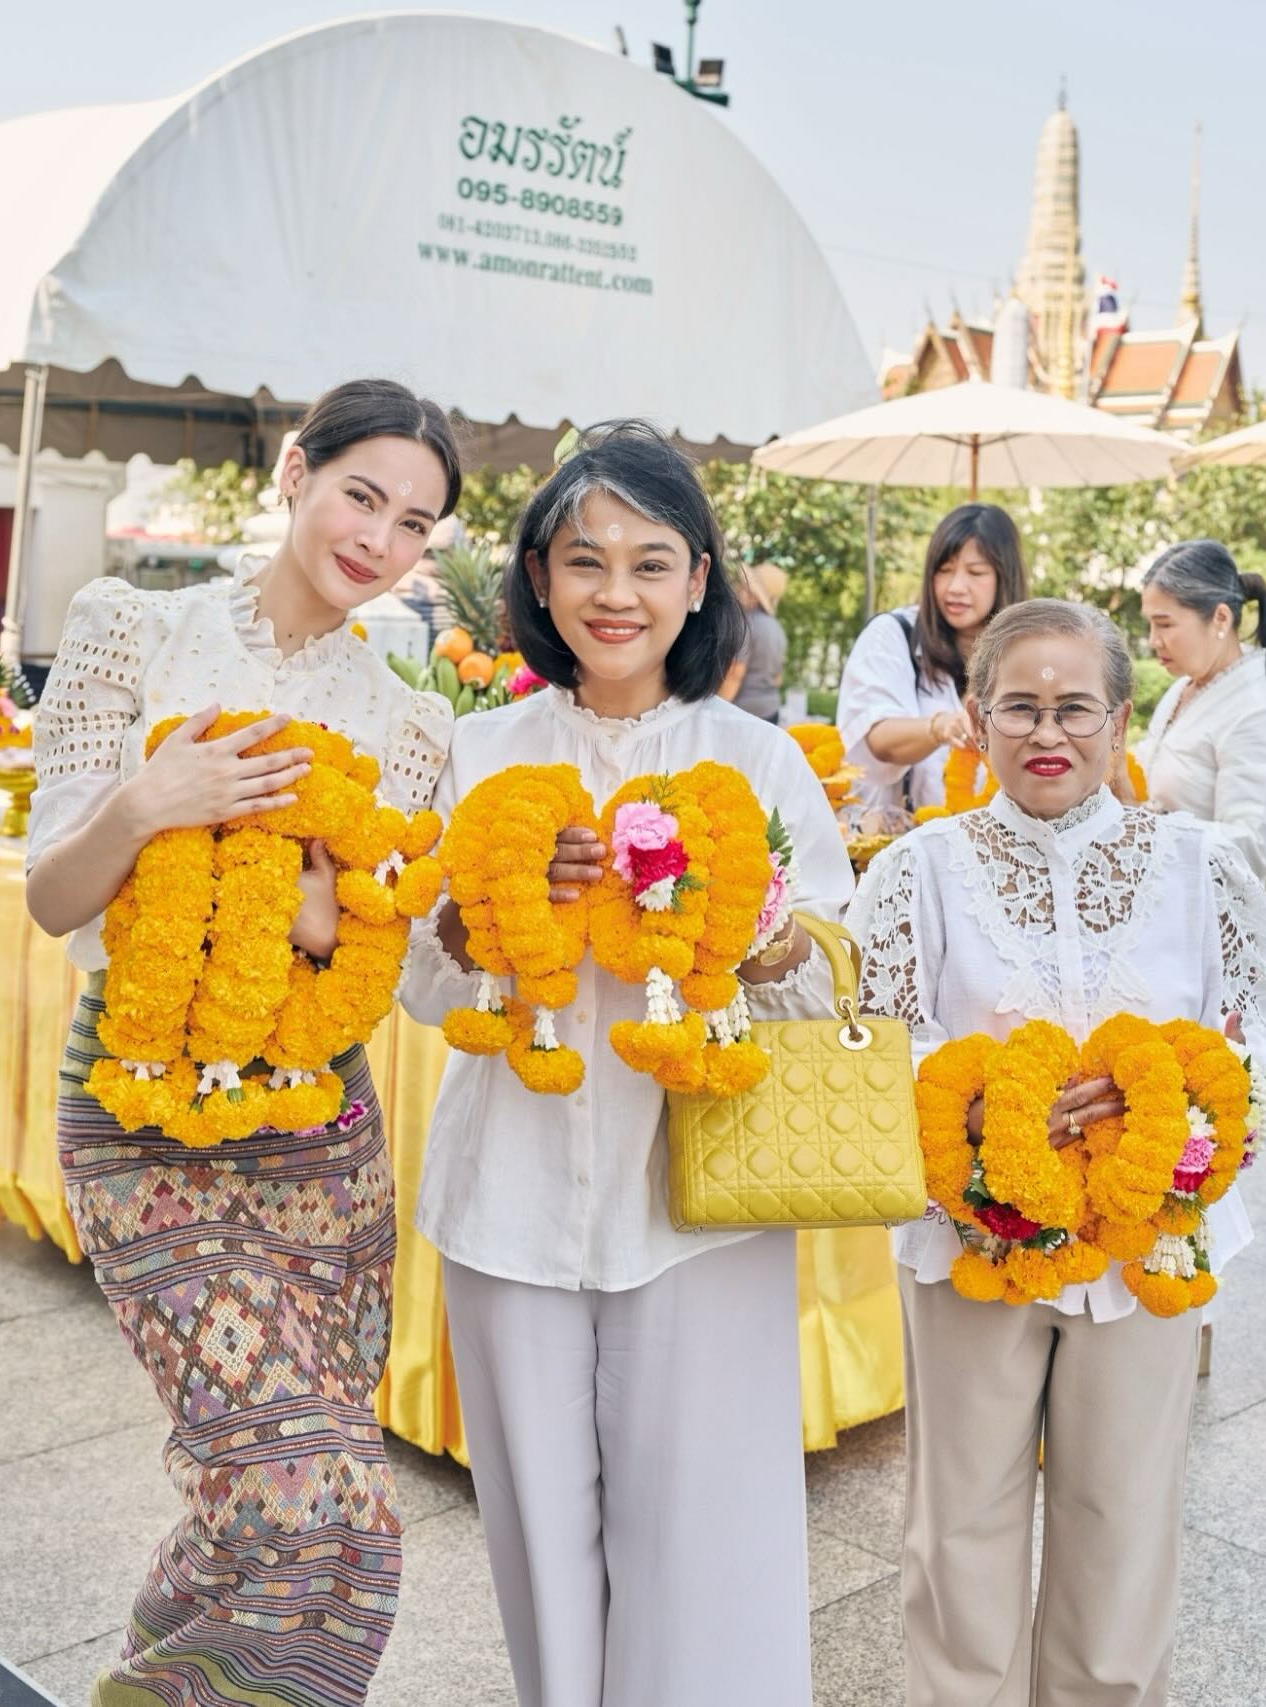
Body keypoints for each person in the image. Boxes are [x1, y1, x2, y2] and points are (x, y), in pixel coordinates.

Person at [24, 379, 462, 1707]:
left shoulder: (407, 721)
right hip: (139, 1113)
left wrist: (327, 913)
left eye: (414, 523)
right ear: (293, 473)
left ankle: (145, 1684)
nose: (379, 539)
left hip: (320, 1131)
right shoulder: (131, 629)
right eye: (362, 495)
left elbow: (381, 956)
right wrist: (150, 803)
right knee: (309, 1497)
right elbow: (53, 896)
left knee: (274, 1496)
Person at [403, 422, 853, 1707]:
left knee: (707, 1544)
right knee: (540, 1544)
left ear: (699, 581)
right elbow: (419, 981)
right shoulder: (480, 751)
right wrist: (486, 910)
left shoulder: (757, 760)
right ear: (538, 580)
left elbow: (833, 979)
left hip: (702, 1206)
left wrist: (745, 922)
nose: (617, 593)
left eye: (651, 563)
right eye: (584, 561)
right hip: (508, 1200)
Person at [850, 598, 1266, 1707]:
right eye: (1019, 707)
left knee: (1124, 1523)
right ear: (975, 716)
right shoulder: (919, 869)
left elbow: (1263, 1049)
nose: (1047, 732)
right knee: (959, 1527)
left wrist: (1181, 1105)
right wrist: (984, 1108)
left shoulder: (1201, 868)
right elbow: (878, 1043)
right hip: (973, 1236)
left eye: (1074, 708)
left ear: (1121, 718)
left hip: (1147, 1243)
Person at [836, 502, 1027, 814]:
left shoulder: (1027, 650)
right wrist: (941, 727)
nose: (955, 587)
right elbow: (877, 737)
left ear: (1004, 577)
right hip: (901, 832)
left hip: (995, 836)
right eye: (944, 570)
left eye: (975, 572)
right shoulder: (893, 634)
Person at [1134, 538, 1266, 876]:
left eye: (1164, 624)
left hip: (1202, 904)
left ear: (1221, 618)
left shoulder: (1258, 711)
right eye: (1150, 624)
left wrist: (1143, 831)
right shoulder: (1183, 688)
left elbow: (1248, 848)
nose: (1153, 640)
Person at [719, 559, 789, 721]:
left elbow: (735, 674)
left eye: (744, 586)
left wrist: (716, 708)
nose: (738, 588)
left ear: (755, 595)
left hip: (744, 713)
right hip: (771, 710)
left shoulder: (746, 623)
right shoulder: (777, 629)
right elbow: (778, 679)